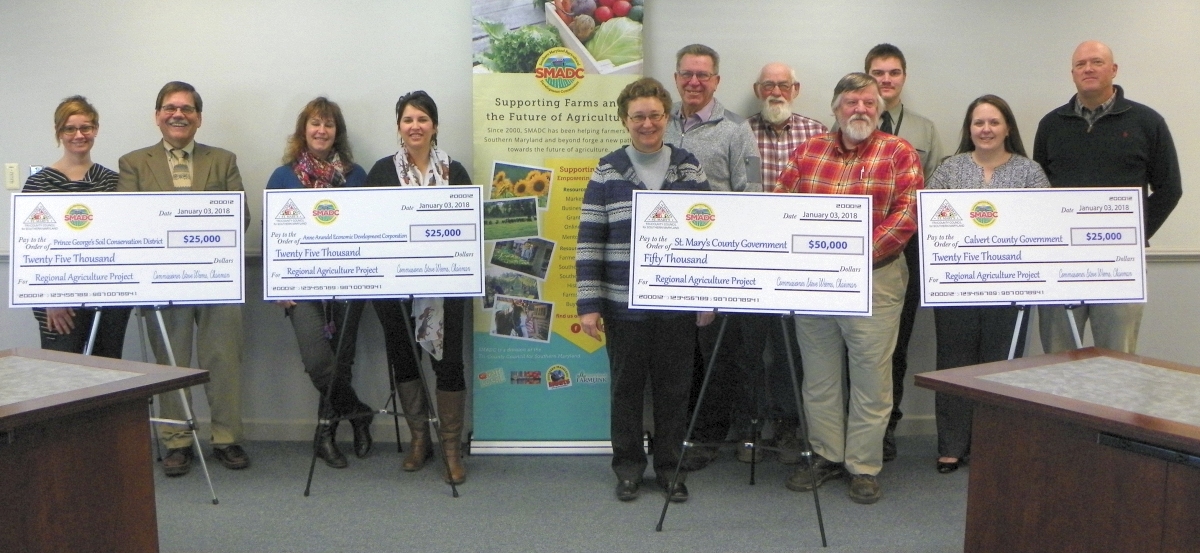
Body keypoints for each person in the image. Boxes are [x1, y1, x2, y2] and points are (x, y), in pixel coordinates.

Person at [774, 73, 922, 504]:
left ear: (880, 109)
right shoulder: (808, 151)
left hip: (876, 278)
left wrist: (852, 260)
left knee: (871, 378)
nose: (861, 109)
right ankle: (825, 456)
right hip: (814, 281)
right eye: (852, 102)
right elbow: (783, 204)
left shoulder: (899, 153)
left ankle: (862, 464)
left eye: (869, 103)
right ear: (836, 108)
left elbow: (906, 216)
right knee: (819, 376)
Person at [576, 77, 714, 503]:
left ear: (666, 117)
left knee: (675, 392)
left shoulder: (688, 166)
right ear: (624, 120)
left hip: (676, 306)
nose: (648, 123)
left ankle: (671, 469)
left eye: (655, 115)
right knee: (626, 391)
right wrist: (588, 305)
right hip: (622, 308)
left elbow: (710, 234)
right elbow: (589, 240)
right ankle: (629, 468)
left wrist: (706, 296)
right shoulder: (607, 170)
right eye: (639, 116)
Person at [118, 81, 251, 476]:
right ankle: (177, 441)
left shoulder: (223, 160)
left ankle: (227, 439)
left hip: (218, 281)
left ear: (198, 118)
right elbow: (129, 222)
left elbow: (239, 218)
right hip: (162, 283)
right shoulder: (134, 163)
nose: (178, 114)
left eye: (187, 109)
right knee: (170, 364)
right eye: (170, 107)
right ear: (157, 115)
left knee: (223, 360)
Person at [1035, 40, 1182, 354]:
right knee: (1056, 361)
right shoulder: (1051, 125)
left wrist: (1132, 233)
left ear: (1113, 70)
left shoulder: (1147, 122)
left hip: (1120, 263)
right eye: (1081, 64)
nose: (1088, 69)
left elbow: (1170, 188)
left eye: (1097, 62)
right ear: (1072, 73)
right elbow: (1040, 191)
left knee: (1118, 361)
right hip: (1062, 262)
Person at [927, 95, 1049, 473]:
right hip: (956, 286)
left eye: (994, 122)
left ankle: (995, 444)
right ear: (969, 129)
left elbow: (1045, 222)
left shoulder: (1030, 172)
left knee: (1002, 367)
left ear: (1008, 127)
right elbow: (930, 217)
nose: (985, 129)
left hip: (1011, 289)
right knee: (954, 364)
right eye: (978, 123)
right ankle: (952, 444)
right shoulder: (949, 169)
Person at [364, 90, 472, 484]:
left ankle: (450, 448)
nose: (415, 127)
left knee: (450, 364)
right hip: (394, 291)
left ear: (435, 126)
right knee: (404, 359)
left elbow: (467, 230)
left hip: (447, 289)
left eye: (422, 119)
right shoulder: (380, 172)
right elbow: (370, 229)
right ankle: (418, 440)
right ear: (399, 127)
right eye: (408, 120)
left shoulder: (454, 172)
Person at [664, 43, 763, 470]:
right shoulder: (656, 121)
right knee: (673, 348)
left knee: (713, 351)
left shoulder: (738, 129)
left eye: (703, 75)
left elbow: (753, 193)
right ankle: (675, 430)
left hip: (716, 260)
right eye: (687, 74)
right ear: (676, 78)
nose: (694, 82)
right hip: (666, 258)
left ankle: (707, 434)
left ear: (717, 81)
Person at [266, 97, 374, 468]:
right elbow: (271, 235)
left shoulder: (357, 176)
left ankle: (324, 436)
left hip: (350, 287)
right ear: (303, 130)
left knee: (341, 363)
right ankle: (358, 412)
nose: (321, 130)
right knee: (318, 363)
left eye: (328, 125)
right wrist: (278, 284)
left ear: (336, 133)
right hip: (300, 289)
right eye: (315, 123)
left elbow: (370, 230)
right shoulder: (283, 178)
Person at [863, 43, 945, 462]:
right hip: (855, 253)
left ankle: (886, 426)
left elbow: (934, 195)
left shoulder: (925, 130)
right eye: (878, 72)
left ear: (904, 78)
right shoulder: (846, 123)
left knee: (895, 343)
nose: (886, 80)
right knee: (855, 344)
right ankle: (855, 425)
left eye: (894, 72)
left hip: (906, 254)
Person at [746, 62, 828, 465]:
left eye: (783, 85)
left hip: (798, 262)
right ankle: (752, 424)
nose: (775, 92)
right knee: (749, 345)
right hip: (749, 259)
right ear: (756, 89)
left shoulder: (818, 134)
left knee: (791, 348)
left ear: (795, 88)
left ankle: (789, 424)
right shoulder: (739, 131)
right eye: (768, 85)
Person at [23, 96, 132, 359]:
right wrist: (51, 297)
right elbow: (31, 249)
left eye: (86, 127)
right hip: (59, 302)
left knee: (107, 371)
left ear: (95, 129)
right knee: (62, 373)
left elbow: (125, 238)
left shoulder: (113, 182)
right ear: (59, 132)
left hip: (109, 296)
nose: (79, 135)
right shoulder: (38, 185)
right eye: (70, 128)